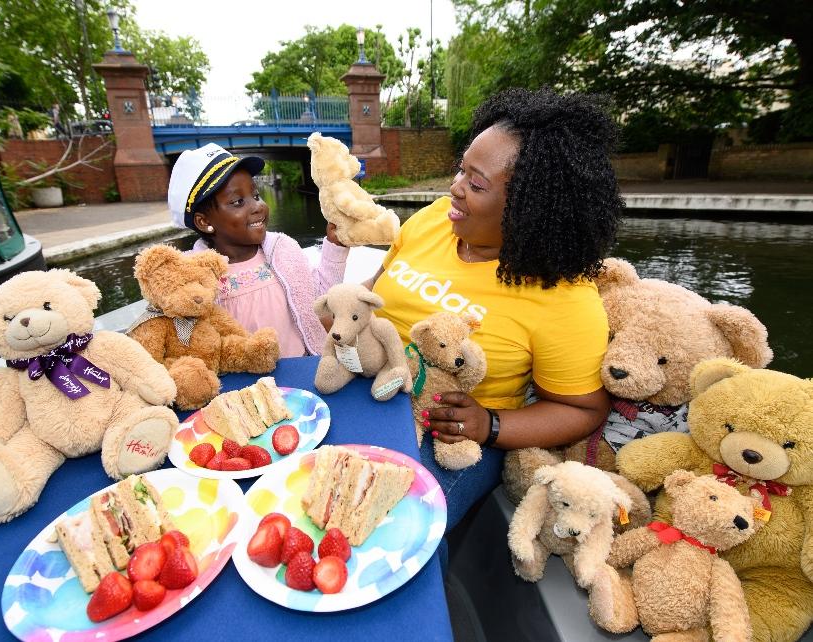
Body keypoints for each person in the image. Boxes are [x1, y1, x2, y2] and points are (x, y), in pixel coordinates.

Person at [368, 88, 624, 530]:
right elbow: (374, 287)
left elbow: (584, 410)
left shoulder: (565, 297)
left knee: (390, 527)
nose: (455, 188)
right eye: (460, 170)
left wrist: (490, 425)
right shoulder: (434, 219)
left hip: (450, 437)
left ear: (529, 209)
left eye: (476, 183)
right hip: (369, 393)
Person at [168, 143, 349, 357]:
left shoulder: (283, 250)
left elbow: (322, 299)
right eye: (237, 202)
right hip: (243, 386)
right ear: (204, 221)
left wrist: (335, 246)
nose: (258, 206)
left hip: (302, 371)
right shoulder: (193, 278)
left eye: (255, 195)